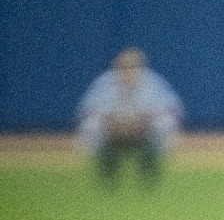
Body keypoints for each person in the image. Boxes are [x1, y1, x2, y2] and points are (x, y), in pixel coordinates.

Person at [75, 47, 183, 188]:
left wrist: (142, 125)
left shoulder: (152, 83)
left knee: (165, 124)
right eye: (124, 67)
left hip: (144, 132)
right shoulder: (105, 83)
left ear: (141, 68)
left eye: (133, 67)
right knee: (91, 125)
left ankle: (150, 175)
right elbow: (87, 111)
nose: (128, 71)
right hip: (112, 131)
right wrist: (113, 127)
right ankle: (107, 175)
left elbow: (172, 110)